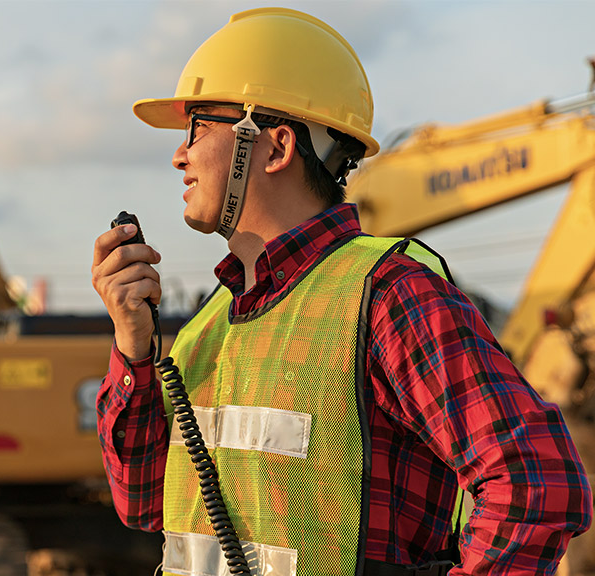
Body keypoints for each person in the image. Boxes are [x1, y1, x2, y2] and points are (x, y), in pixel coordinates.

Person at [90, 8, 591, 576]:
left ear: (276, 148)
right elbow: (142, 504)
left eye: (200, 126)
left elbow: (535, 486)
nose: (179, 154)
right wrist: (133, 350)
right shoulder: (211, 323)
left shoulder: (391, 298)